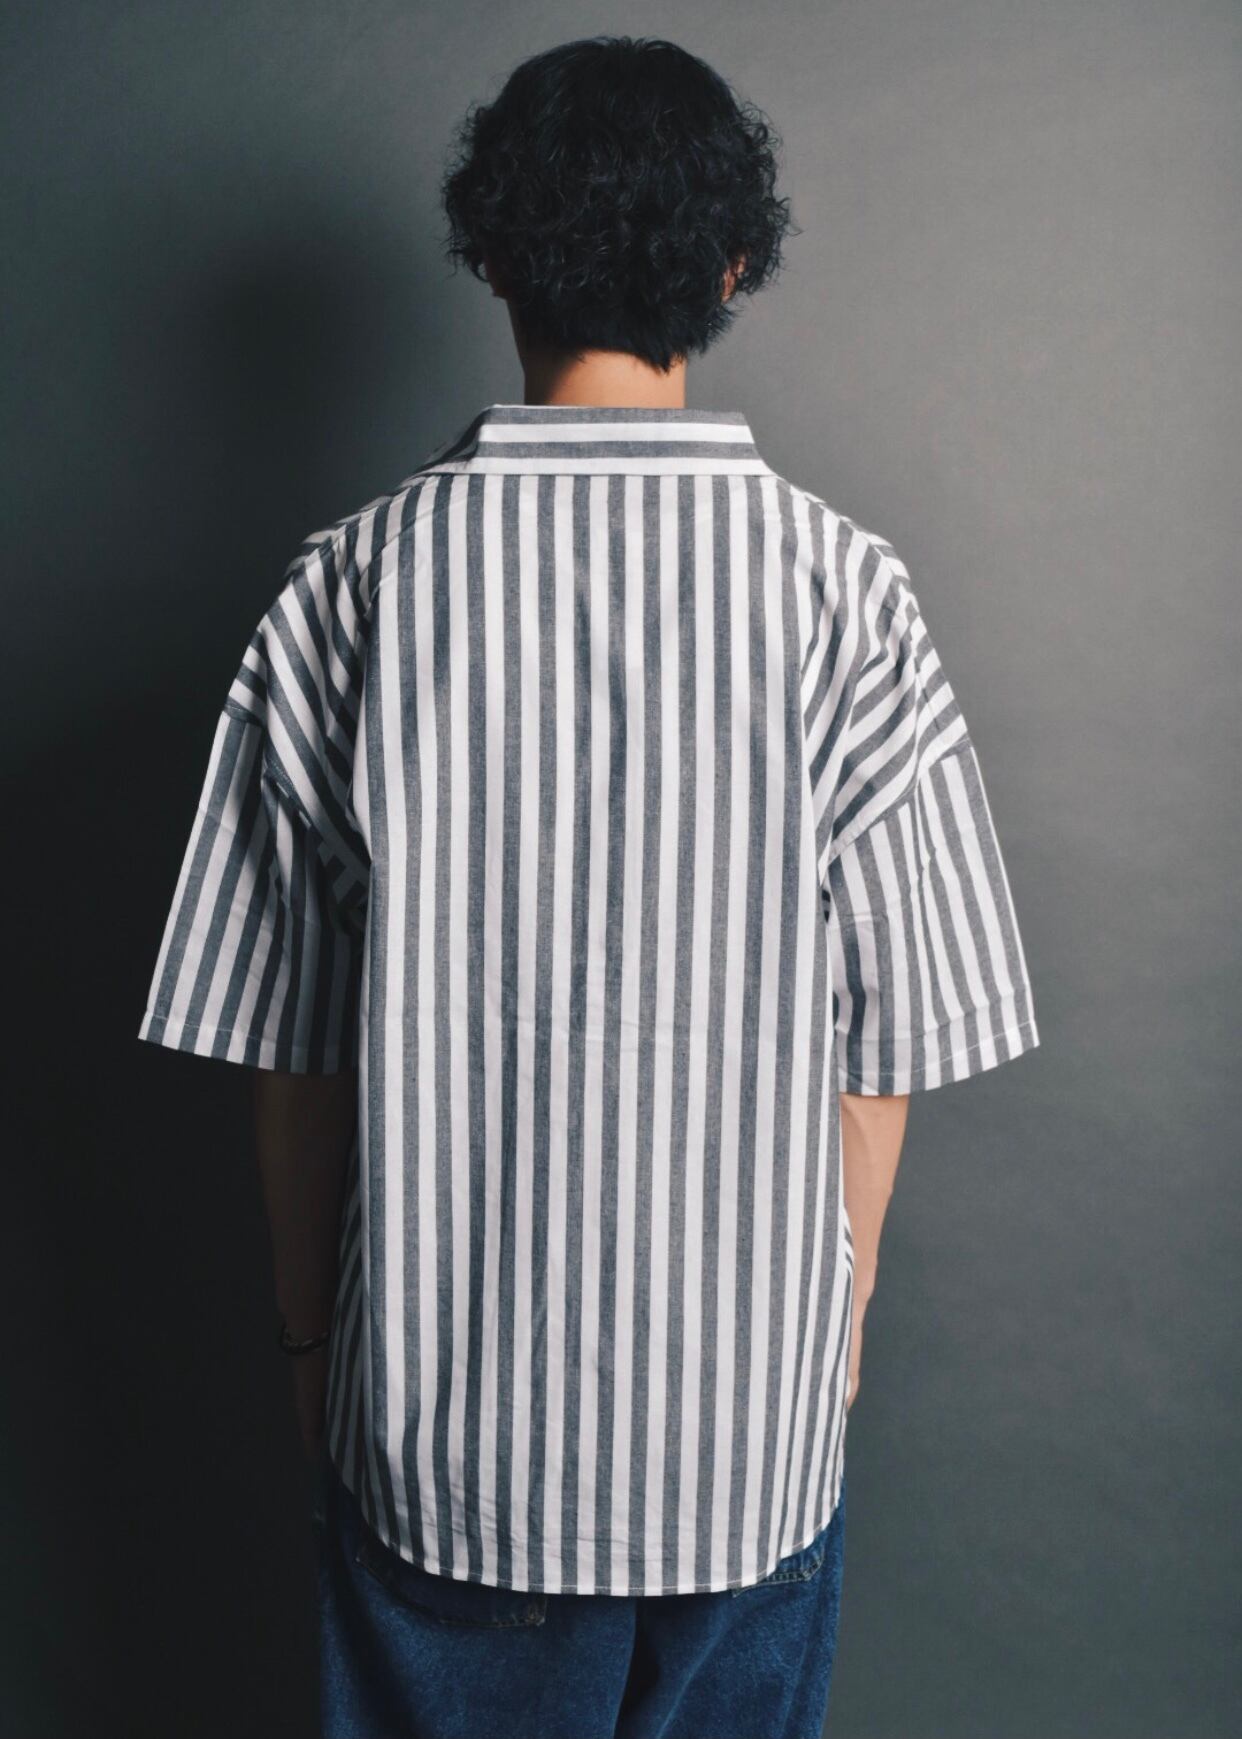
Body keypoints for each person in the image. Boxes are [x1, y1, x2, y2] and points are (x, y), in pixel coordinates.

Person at [136, 33, 1040, 1739]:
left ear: (491, 255)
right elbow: (886, 1046)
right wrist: (832, 1327)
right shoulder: (848, 599)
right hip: (746, 1449)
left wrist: (313, 1350)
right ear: (731, 265)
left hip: (440, 1442)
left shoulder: (350, 595)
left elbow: (292, 1057)